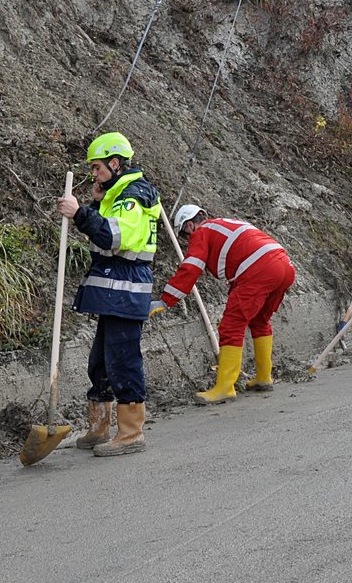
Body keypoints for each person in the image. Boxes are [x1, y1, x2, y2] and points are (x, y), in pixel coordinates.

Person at [55, 131, 162, 456]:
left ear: (115, 164)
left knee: (123, 361)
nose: (94, 174)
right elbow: (108, 226)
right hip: (116, 291)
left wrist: (81, 213)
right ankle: (98, 428)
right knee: (100, 363)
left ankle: (131, 434)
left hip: (127, 291)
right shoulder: (118, 194)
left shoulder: (134, 195)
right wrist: (98, 202)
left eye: (98, 167)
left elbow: (115, 237)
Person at [152, 205, 297, 403]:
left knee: (231, 325)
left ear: (189, 225)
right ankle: (264, 377)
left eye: (185, 236)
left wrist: (167, 299)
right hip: (284, 266)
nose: (188, 241)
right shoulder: (226, 224)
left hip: (259, 269)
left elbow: (192, 266)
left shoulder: (201, 231)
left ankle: (225, 388)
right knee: (259, 321)